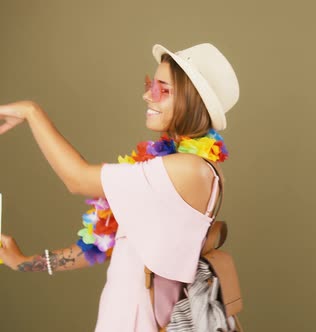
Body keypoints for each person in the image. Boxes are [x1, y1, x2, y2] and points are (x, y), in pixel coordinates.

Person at [0, 42, 240, 331]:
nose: (147, 95)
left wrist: (31, 111)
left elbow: (77, 179)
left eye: (162, 90)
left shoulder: (189, 170)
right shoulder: (169, 167)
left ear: (193, 100)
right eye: (151, 84)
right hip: (122, 316)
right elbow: (104, 243)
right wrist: (25, 263)